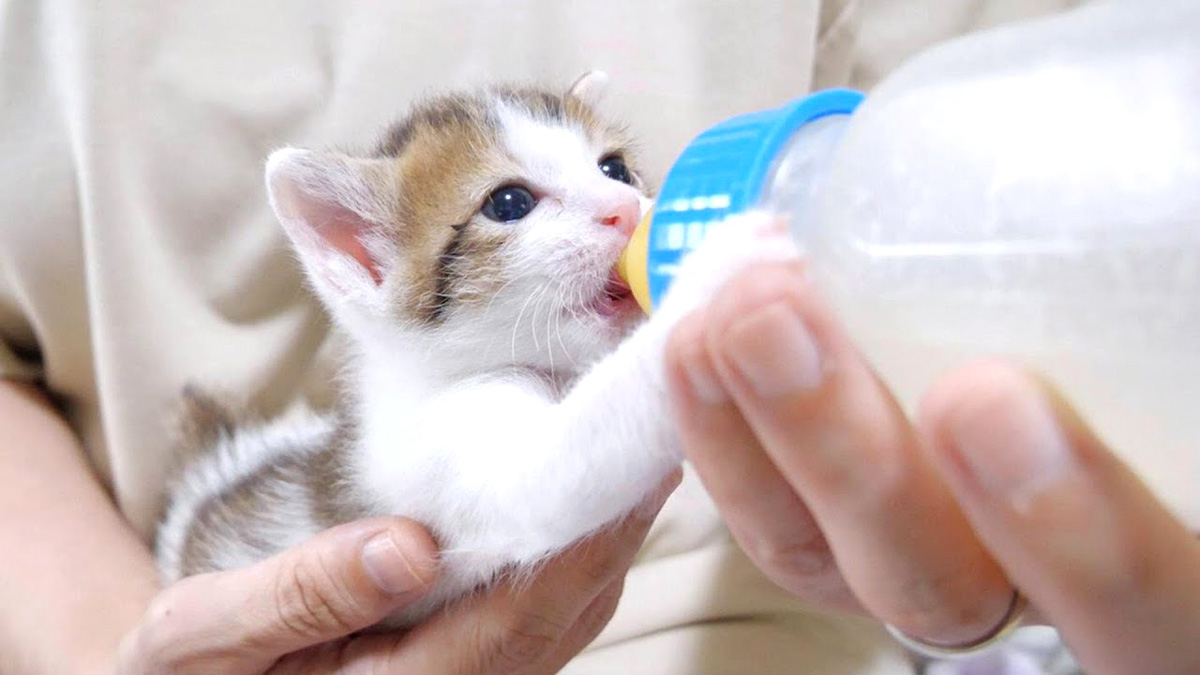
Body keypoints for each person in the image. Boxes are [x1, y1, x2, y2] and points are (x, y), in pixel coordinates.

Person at [3, 1, 1196, 673]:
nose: (624, 209)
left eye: (614, 170)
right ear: (363, 260)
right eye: (515, 205)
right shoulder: (450, 422)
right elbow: (545, 492)